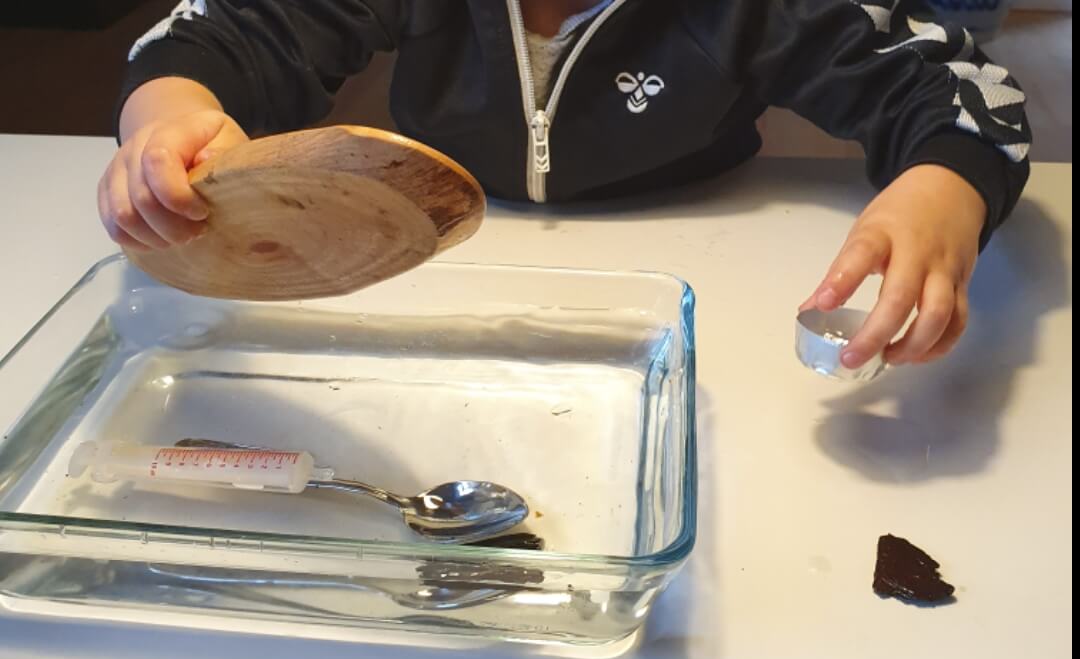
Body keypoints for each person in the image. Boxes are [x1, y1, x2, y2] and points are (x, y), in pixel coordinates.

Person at [98, 0, 1032, 370]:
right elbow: (219, 35)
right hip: (427, 273)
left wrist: (943, 186)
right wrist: (169, 114)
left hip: (707, 276)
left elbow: (955, 86)